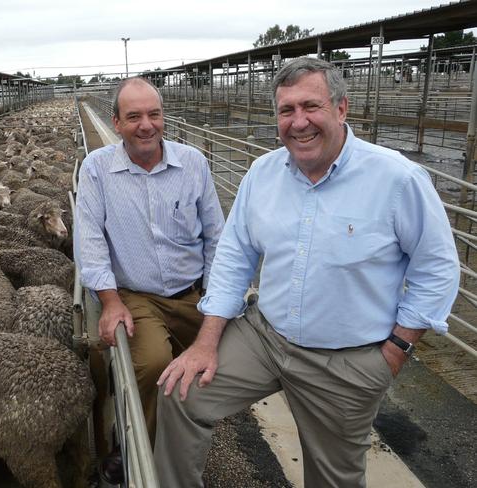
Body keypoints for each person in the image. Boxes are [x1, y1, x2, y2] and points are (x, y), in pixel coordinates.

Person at [154, 57, 459, 488]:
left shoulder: (397, 179)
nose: (299, 122)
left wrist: (394, 353)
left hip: (346, 359)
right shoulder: (263, 174)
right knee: (181, 394)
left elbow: (438, 268)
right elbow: (235, 256)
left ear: (341, 108)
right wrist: (205, 341)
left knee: (331, 478)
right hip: (265, 336)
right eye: (286, 110)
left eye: (311, 106)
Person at [74, 77, 224, 482]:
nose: (146, 125)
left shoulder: (192, 163)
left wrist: (215, 295)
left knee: (207, 373)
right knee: (153, 362)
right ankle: (138, 451)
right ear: (116, 122)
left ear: (163, 117)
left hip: (193, 291)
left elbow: (216, 234)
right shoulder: (98, 170)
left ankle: (176, 440)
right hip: (136, 294)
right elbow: (89, 240)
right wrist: (109, 301)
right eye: (134, 116)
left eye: (154, 114)